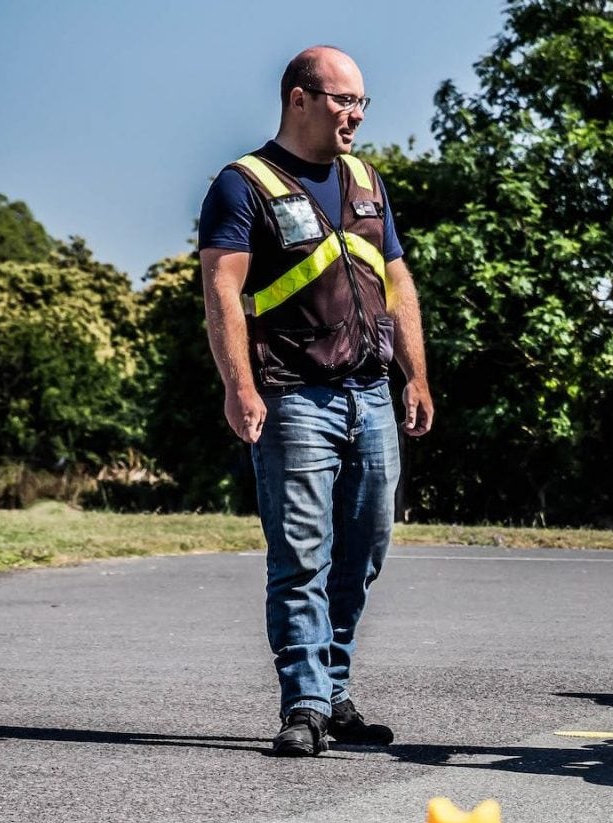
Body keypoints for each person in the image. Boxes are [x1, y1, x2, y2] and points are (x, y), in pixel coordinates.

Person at [199, 45, 434, 757]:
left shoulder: (365, 180)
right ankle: (303, 704)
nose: (354, 114)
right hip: (295, 394)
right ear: (298, 99)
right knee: (301, 555)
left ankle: (333, 690)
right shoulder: (245, 184)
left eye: (361, 101)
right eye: (341, 100)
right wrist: (238, 386)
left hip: (369, 391)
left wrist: (415, 378)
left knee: (365, 549)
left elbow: (398, 284)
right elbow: (221, 291)